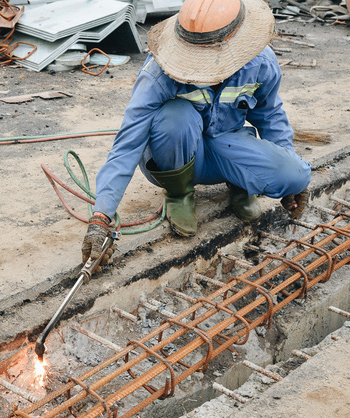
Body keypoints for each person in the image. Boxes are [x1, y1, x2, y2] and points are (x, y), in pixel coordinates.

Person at [81, 0, 311, 267]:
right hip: (177, 155)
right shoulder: (159, 73)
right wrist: (101, 218)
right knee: (176, 115)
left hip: (228, 146)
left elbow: (270, 116)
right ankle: (180, 193)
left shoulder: (260, 63)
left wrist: (293, 179)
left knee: (296, 174)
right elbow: (126, 146)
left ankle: (241, 182)